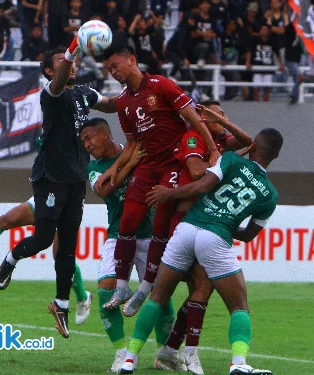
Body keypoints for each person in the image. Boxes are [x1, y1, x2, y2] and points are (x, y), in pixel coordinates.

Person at [117, 127, 283, 374]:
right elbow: (248, 235)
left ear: (253, 147)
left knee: (158, 297)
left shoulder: (230, 159)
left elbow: (203, 185)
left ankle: (129, 359)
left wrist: (168, 193)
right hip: (216, 237)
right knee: (239, 306)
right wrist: (224, 224)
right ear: (275, 157)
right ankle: (238, 364)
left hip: (186, 229)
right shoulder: (270, 195)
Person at [0, 39, 117, 340]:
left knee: (68, 247)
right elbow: (60, 80)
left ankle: (62, 304)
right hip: (50, 178)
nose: (71, 65)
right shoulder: (51, 93)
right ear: (50, 70)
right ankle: (11, 258)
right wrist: (73, 48)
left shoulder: (84, 93)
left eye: (72, 61)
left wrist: (141, 96)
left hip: (75, 180)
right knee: (43, 239)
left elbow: (112, 105)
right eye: (63, 62)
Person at [97, 44, 221, 311]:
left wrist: (211, 148)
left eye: (115, 66)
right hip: (147, 166)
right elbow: (131, 144)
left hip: (173, 165)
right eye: (109, 70)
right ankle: (122, 286)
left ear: (132, 60)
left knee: (159, 227)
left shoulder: (161, 85)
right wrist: (113, 169)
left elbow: (194, 119)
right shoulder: (123, 102)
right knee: (127, 221)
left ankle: (145, 287)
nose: (113, 72)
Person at [152, 101, 253, 374]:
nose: (222, 118)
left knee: (200, 289)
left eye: (223, 114)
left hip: (202, 224)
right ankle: (170, 352)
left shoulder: (220, 144)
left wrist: (222, 129)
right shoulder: (194, 137)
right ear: (203, 119)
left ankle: (170, 351)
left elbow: (250, 143)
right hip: (184, 222)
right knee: (189, 289)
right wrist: (221, 165)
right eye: (216, 115)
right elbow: (197, 173)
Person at [81, 118, 175, 372]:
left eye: (89, 138)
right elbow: (103, 190)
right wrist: (131, 164)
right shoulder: (94, 167)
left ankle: (164, 353)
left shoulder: (137, 151)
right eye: (83, 142)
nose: (87, 145)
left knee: (162, 297)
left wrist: (134, 160)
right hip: (117, 235)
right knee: (104, 291)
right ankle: (121, 353)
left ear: (104, 134)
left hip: (148, 234)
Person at [0, 198, 93, 326]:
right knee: (5, 220)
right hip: (46, 193)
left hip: (66, 202)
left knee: (60, 257)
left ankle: (82, 297)